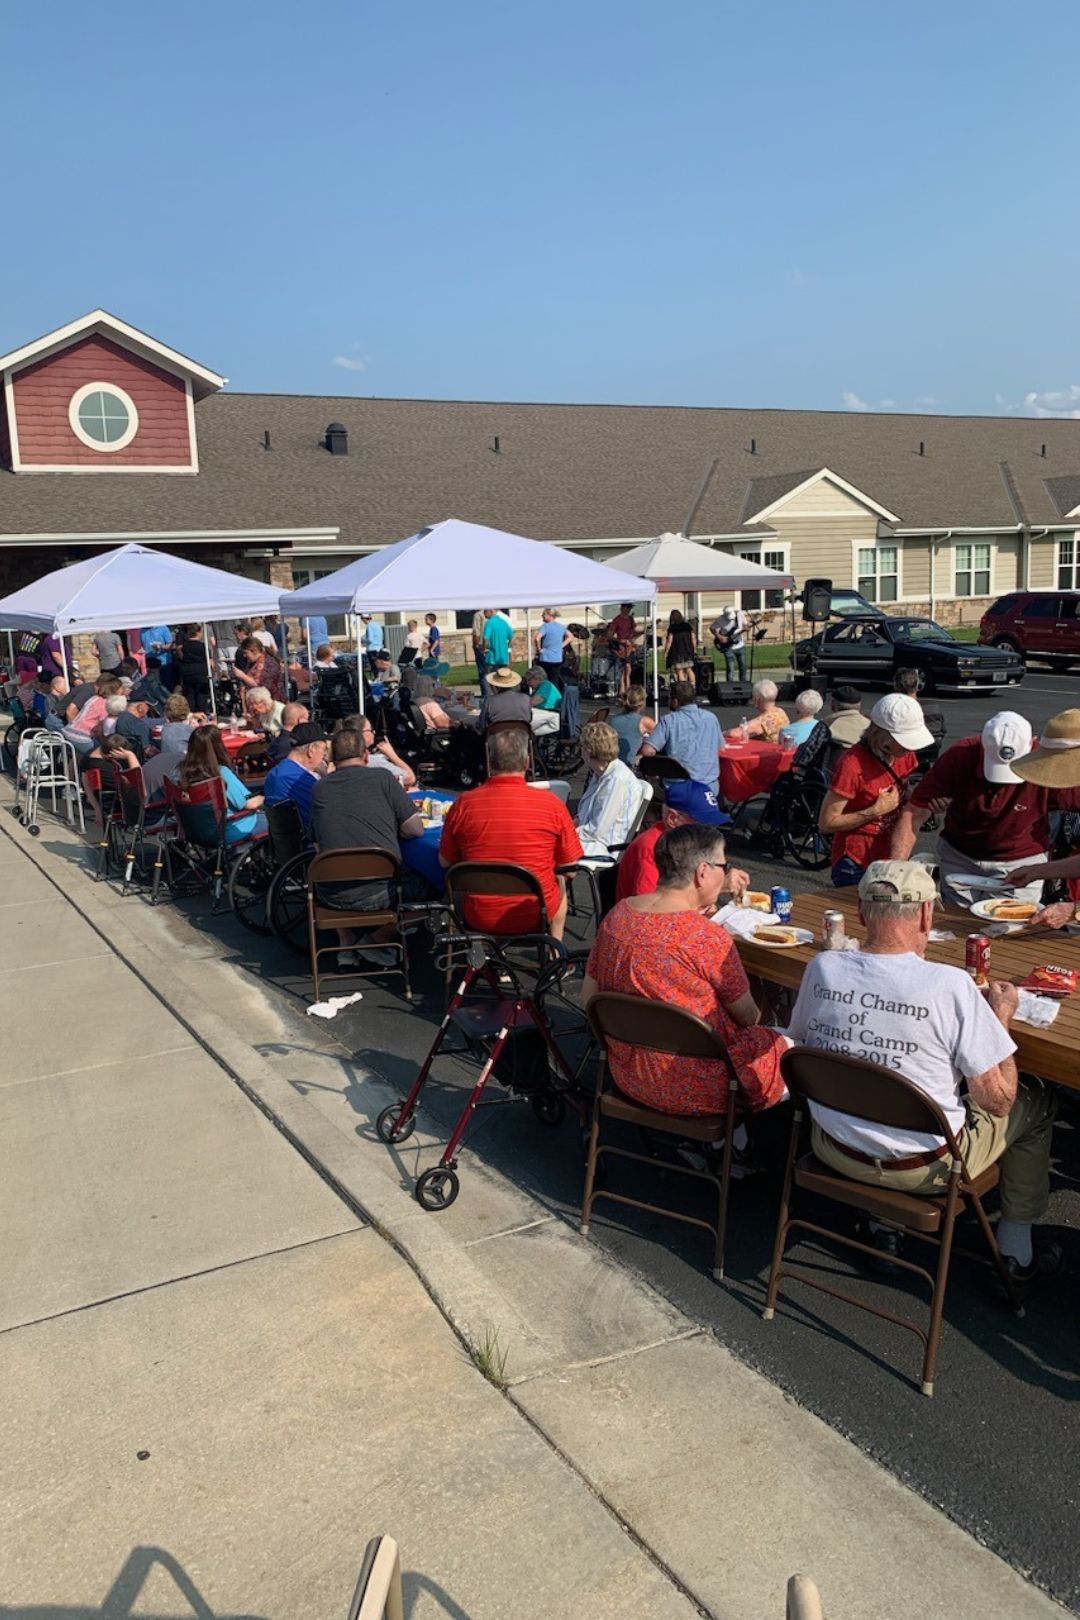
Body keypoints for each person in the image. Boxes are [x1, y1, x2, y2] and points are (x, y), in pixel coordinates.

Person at [785, 861, 1060, 1289]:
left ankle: (882, 1223)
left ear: (861, 912)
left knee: (880, 1080)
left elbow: (799, 1041)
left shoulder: (823, 967)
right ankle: (1015, 1251)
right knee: (1037, 1098)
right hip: (922, 1169)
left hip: (833, 1147)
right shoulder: (950, 985)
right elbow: (998, 1101)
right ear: (927, 915)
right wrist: (999, 1021)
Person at [583, 823, 789, 1118]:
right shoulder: (705, 937)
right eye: (723, 866)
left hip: (630, 1074)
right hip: (703, 1084)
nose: (725, 874)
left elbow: (589, 996)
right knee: (790, 1046)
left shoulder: (617, 918)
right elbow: (749, 1017)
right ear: (702, 872)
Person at [890, 712, 1080, 907]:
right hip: (960, 857)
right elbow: (914, 813)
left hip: (1021, 861)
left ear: (1032, 744)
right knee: (956, 921)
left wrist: (1044, 877)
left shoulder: (1049, 765)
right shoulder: (960, 755)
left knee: (1009, 923)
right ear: (983, 745)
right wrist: (895, 872)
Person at [439, 727, 583, 938]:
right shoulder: (552, 805)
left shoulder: (464, 804)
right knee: (560, 882)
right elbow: (570, 869)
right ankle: (555, 951)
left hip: (479, 915)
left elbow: (445, 861)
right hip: (535, 913)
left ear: (490, 762)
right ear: (526, 763)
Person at [309, 728, 426, 966]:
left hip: (330, 894)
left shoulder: (319, 789)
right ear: (365, 755)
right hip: (381, 890)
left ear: (332, 758)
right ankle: (378, 939)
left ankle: (346, 943)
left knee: (334, 862)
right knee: (433, 890)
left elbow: (319, 844)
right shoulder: (383, 778)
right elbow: (415, 830)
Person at [819, 693, 932, 887]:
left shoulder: (904, 754)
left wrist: (921, 800)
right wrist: (874, 811)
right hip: (855, 861)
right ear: (882, 736)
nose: (910, 748)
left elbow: (904, 788)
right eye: (905, 740)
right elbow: (826, 823)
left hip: (891, 853)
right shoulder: (852, 765)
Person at [615, 779, 741, 901]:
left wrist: (719, 875)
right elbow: (652, 906)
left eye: (713, 825)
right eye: (702, 825)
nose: (709, 832)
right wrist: (717, 886)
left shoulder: (685, 843)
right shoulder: (652, 849)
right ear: (673, 819)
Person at [177, 725, 266, 843]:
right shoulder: (220, 773)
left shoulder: (181, 772)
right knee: (277, 820)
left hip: (195, 832)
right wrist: (267, 797)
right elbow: (248, 803)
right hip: (230, 829)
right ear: (218, 746)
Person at [575, 722, 650, 858]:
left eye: (581, 746)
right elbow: (584, 815)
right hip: (590, 839)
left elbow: (598, 829)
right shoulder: (601, 773)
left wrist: (568, 833)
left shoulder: (616, 779)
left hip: (604, 846)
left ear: (589, 750)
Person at [639, 679, 723, 794]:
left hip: (678, 788)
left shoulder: (669, 720)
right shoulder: (711, 718)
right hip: (709, 787)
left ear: (675, 701)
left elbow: (647, 751)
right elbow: (720, 747)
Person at [263, 722, 330, 826]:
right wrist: (329, 777)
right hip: (310, 834)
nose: (325, 755)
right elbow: (331, 809)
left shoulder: (273, 774)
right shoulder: (302, 781)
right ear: (311, 750)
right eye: (324, 749)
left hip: (286, 834)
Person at [340, 713, 418, 788]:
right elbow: (410, 779)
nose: (374, 732)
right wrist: (392, 755)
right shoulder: (372, 761)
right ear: (361, 734)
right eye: (370, 730)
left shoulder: (341, 761)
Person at [895, 666, 944, 767]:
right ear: (917, 685)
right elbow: (942, 731)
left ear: (896, 686)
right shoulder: (933, 707)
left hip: (905, 758)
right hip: (929, 753)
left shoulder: (896, 710)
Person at [234, 635, 285, 703]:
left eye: (246, 653)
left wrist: (242, 676)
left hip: (270, 703)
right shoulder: (255, 662)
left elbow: (258, 685)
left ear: (254, 651)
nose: (244, 655)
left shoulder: (265, 663)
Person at [535, 609, 573, 690]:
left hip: (546, 657)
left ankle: (545, 695)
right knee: (554, 680)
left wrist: (539, 649)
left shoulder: (545, 626)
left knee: (544, 680)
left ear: (550, 615)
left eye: (544, 614)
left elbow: (537, 638)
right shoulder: (560, 626)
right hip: (557, 658)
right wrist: (561, 645)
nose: (542, 616)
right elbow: (570, 636)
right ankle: (555, 695)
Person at [606, 603, 638, 699]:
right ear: (622, 608)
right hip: (621, 648)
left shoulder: (631, 619)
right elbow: (609, 635)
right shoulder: (617, 620)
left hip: (630, 647)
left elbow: (634, 632)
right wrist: (620, 640)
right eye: (627, 607)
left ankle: (625, 690)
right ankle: (625, 690)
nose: (629, 610)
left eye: (630, 608)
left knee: (628, 670)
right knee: (625, 669)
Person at [176, 624, 211, 711]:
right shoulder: (202, 646)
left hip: (187, 672)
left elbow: (182, 656)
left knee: (189, 695)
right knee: (201, 696)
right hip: (200, 672)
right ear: (198, 633)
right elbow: (208, 660)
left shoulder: (185, 646)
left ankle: (191, 712)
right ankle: (201, 711)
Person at [710, 606, 747, 682]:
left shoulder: (739, 614)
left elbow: (745, 624)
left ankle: (743, 683)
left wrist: (746, 628)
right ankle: (730, 685)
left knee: (743, 666)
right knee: (730, 668)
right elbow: (712, 628)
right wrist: (719, 637)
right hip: (728, 647)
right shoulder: (720, 619)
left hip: (740, 645)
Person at [525, 666, 561, 735]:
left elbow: (531, 703)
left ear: (537, 678)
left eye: (529, 680)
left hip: (549, 714)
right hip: (547, 713)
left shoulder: (546, 685)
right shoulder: (541, 687)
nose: (528, 683)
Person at [663, 609, 696, 681]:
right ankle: (693, 685)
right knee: (689, 669)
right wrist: (694, 649)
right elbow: (693, 638)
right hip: (688, 651)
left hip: (677, 652)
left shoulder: (672, 627)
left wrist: (666, 652)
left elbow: (669, 641)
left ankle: (683, 686)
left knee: (679, 671)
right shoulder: (687, 626)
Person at [483, 607, 514, 672]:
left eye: (485, 611)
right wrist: (508, 646)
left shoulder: (489, 623)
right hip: (503, 658)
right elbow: (511, 636)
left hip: (492, 658)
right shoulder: (504, 622)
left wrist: (485, 649)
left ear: (491, 611)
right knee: (502, 677)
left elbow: (486, 639)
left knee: (491, 677)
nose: (483, 613)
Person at [471, 609, 490, 696]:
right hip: (492, 647)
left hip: (482, 647)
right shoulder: (496, 615)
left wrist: (476, 645)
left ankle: (486, 696)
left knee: (483, 673)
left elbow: (476, 632)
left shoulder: (478, 615)